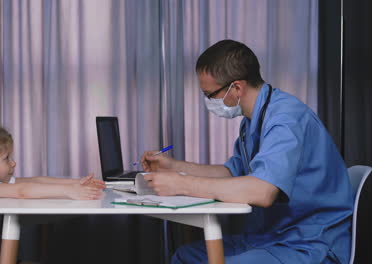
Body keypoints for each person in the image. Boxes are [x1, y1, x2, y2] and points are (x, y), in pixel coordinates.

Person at [141, 40, 353, 264]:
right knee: (186, 257)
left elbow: (262, 192)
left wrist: (182, 184)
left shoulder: (285, 120)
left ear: (237, 88)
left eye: (210, 94)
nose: (208, 101)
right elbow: (233, 173)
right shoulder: (253, 120)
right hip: (271, 237)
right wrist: (175, 167)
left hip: (309, 243)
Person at [0, 123, 106, 264]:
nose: (13, 163)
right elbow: (22, 191)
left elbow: (35, 181)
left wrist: (75, 183)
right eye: (6, 158)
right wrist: (69, 192)